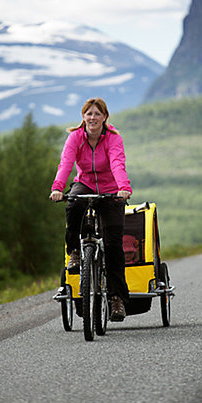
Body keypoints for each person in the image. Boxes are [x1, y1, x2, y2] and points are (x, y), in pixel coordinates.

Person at [49, 97, 132, 321]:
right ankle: (75, 253)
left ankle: (116, 299)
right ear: (83, 117)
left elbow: (117, 163)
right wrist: (58, 187)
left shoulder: (113, 138)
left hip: (111, 187)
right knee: (73, 203)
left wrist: (123, 188)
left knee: (114, 244)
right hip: (84, 182)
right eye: (89, 114)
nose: (93, 117)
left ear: (105, 117)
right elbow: (66, 163)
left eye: (97, 114)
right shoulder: (75, 137)